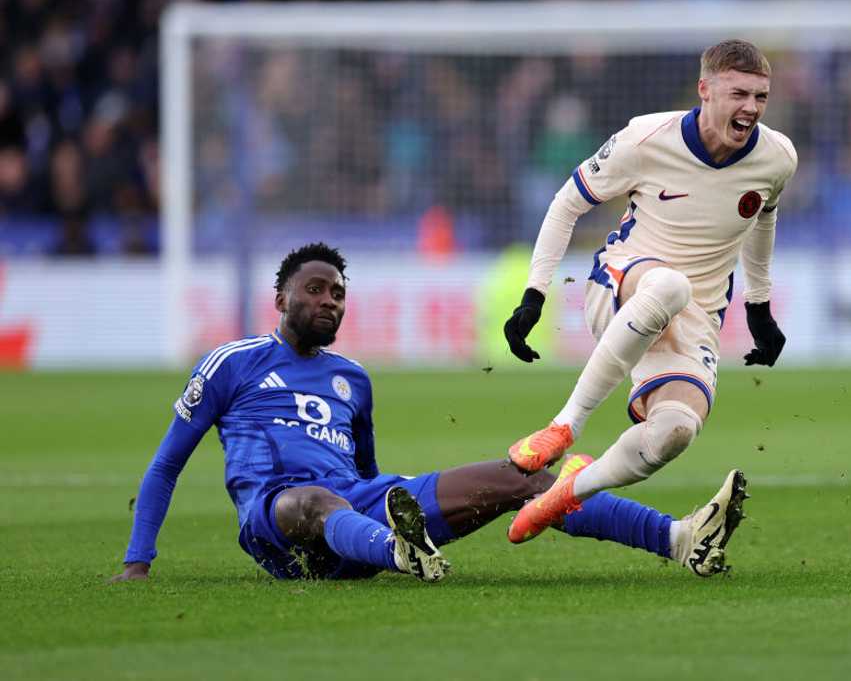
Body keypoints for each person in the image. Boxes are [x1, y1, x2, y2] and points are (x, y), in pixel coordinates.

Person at [111, 243, 749, 583]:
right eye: (315, 290)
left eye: (338, 293)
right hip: (278, 522)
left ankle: (679, 539)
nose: (330, 301)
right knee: (309, 500)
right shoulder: (232, 363)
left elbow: (365, 472)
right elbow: (168, 463)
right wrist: (138, 562)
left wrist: (392, 507)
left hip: (363, 510)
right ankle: (397, 552)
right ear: (280, 297)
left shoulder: (351, 380)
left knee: (528, 476)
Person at [503, 40, 795, 543]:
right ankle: (565, 425)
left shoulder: (777, 157)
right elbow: (566, 203)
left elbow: (762, 217)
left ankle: (569, 491)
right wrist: (534, 294)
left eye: (761, 97)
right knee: (668, 284)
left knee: (674, 432)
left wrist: (759, 306)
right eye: (739, 93)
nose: (751, 107)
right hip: (621, 284)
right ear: (704, 90)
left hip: (696, 315)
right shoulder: (646, 137)